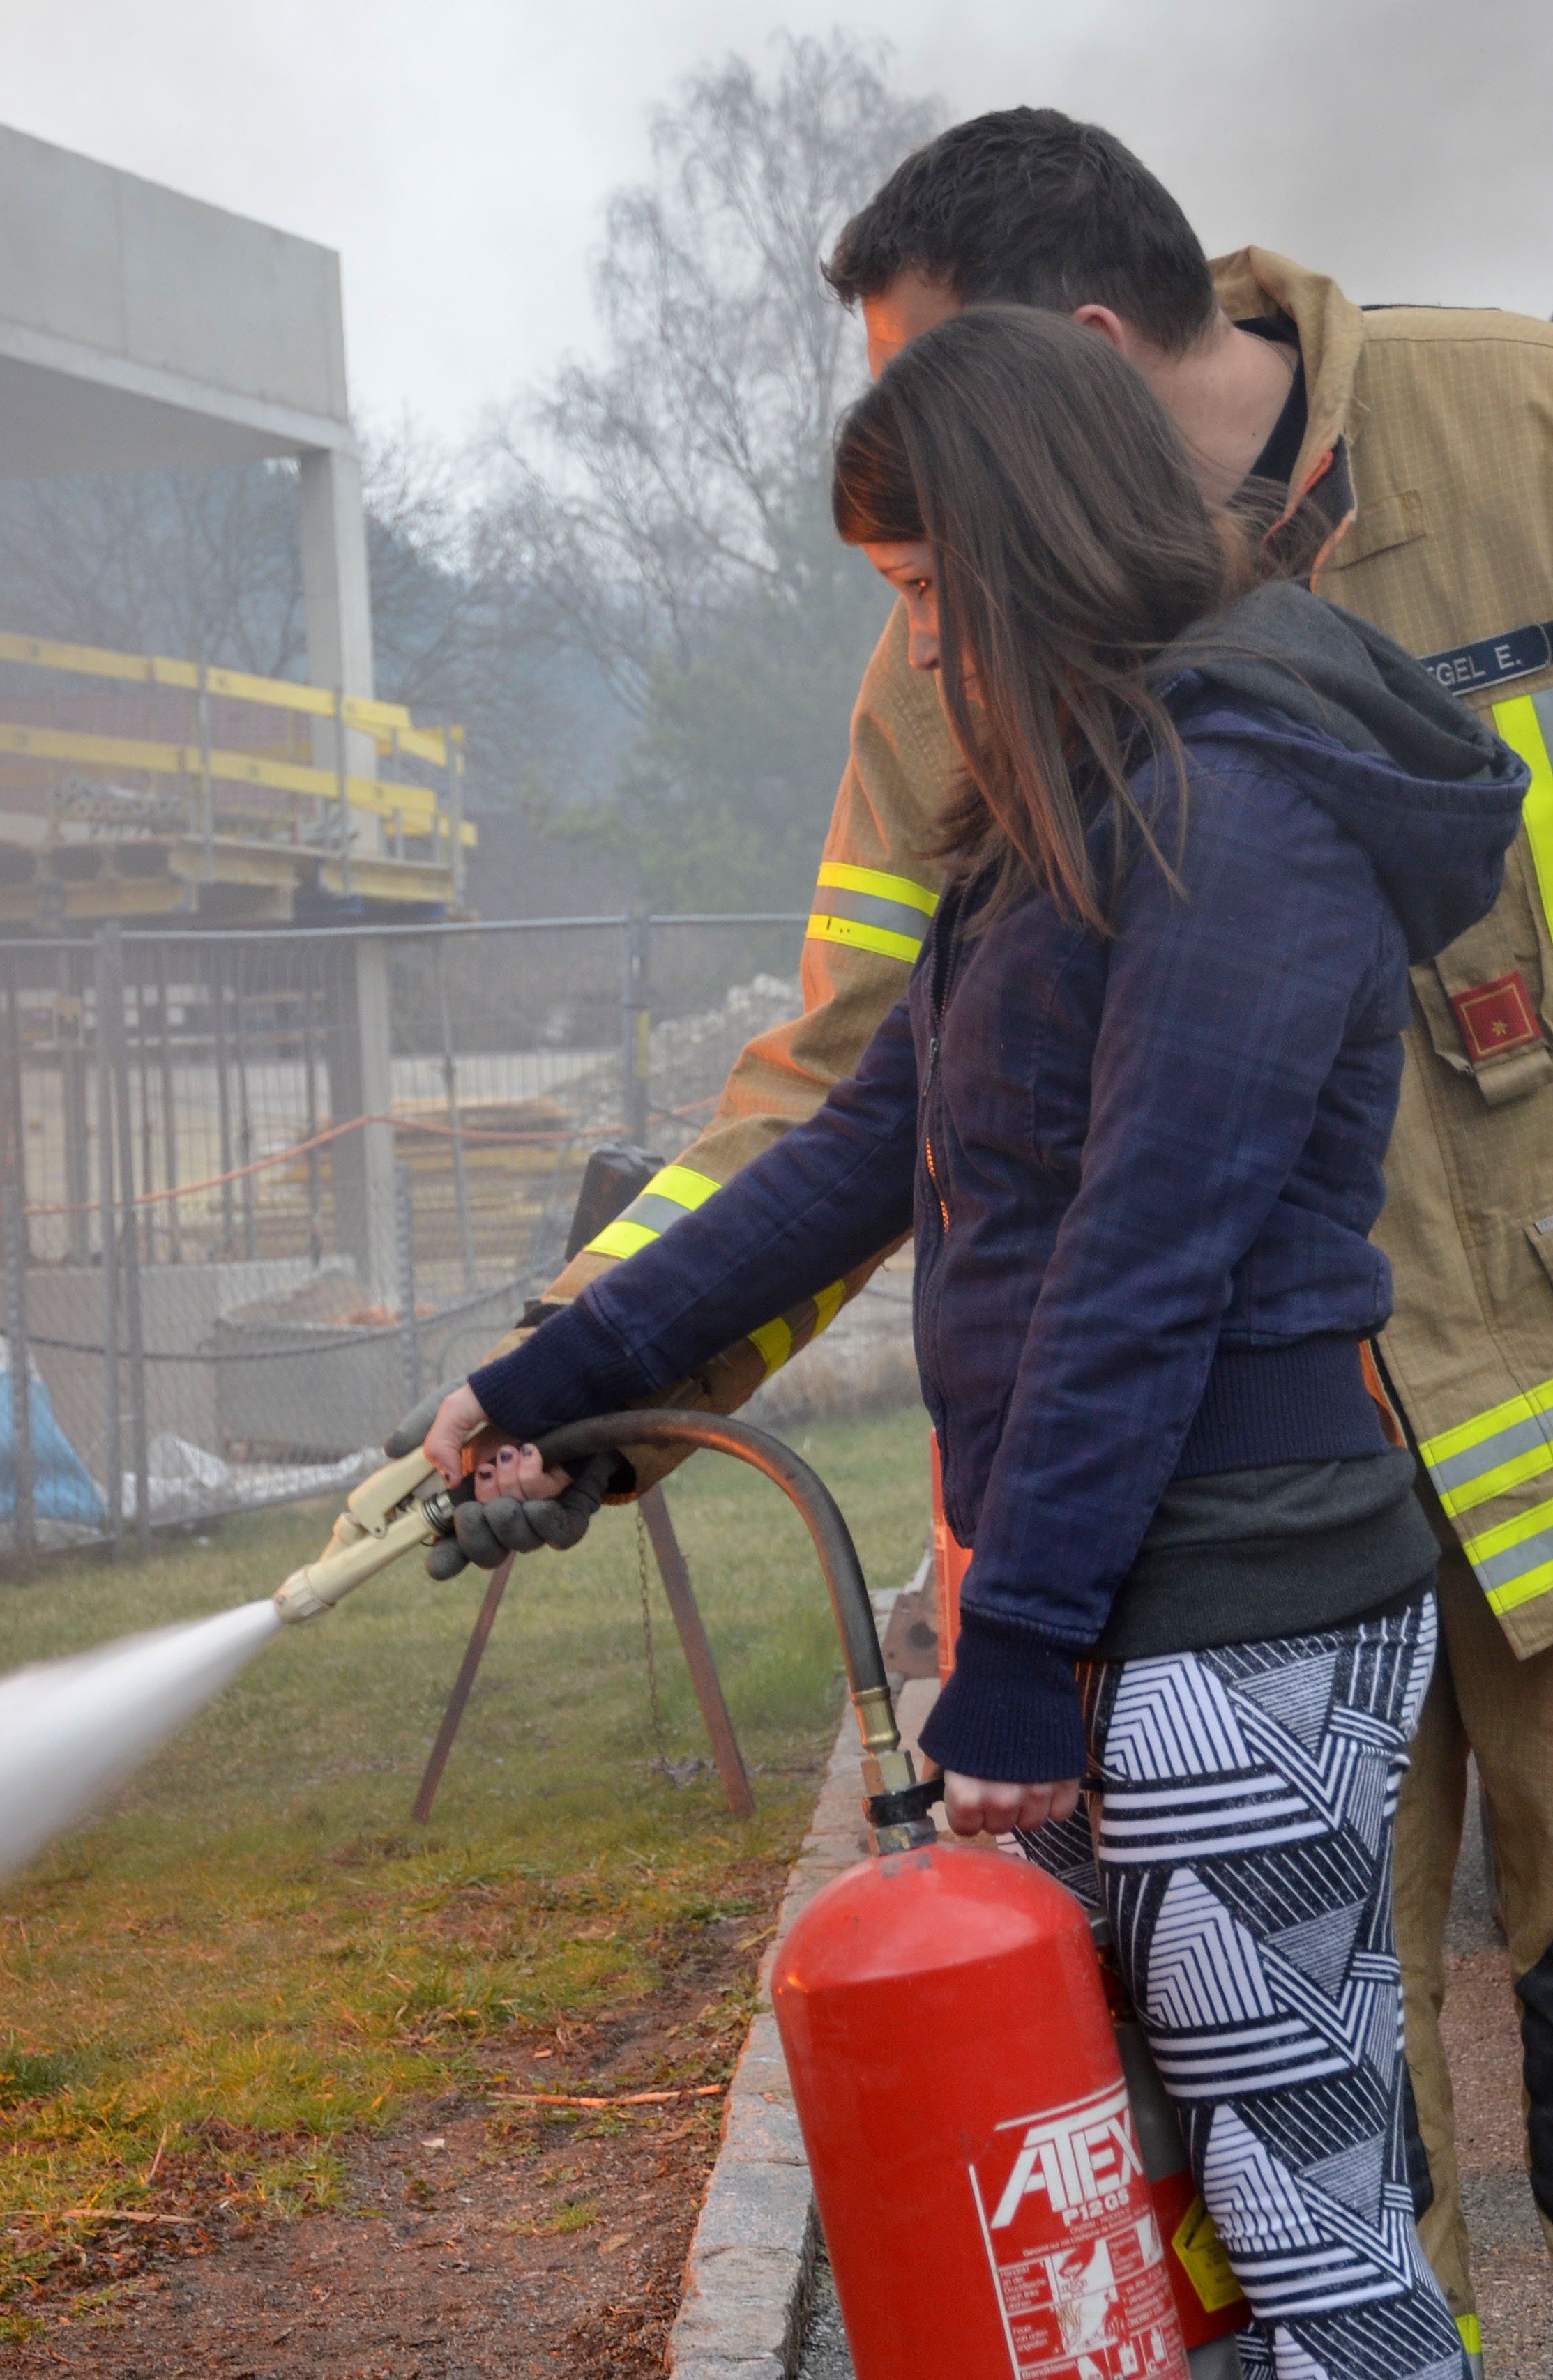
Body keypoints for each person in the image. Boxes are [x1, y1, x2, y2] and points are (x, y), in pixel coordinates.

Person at [391, 112, 1553, 2358]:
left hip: (1242, 1583)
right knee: (1251, 2193)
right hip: (1176, 1584)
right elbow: (860, 1135)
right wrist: (561, 1374)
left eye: (927, 590)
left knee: (1299, 2218)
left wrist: (1010, 1650)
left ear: (1042, 497)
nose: (909, 647)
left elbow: (1145, 1259)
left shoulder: (1231, 805)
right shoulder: (1067, 801)